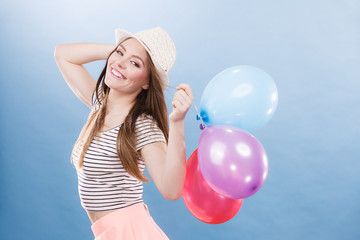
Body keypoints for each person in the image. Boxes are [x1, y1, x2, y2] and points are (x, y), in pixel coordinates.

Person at [54, 27, 193, 240]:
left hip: (131, 233)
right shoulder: (99, 105)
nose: (119, 63)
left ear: (147, 81)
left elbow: (171, 190)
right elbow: (63, 55)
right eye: (120, 53)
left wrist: (177, 123)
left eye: (135, 63)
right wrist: (120, 53)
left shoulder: (141, 126)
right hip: (112, 233)